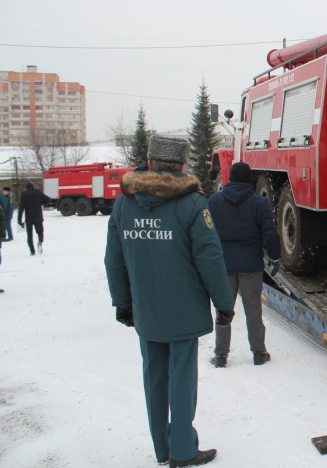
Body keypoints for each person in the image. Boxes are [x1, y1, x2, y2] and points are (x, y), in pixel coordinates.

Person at [104, 135, 235, 468]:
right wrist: (224, 303)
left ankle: (162, 448)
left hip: (145, 308)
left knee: (154, 377)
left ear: (149, 163)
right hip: (184, 308)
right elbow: (210, 257)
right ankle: (182, 451)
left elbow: (114, 258)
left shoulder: (124, 202)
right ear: (181, 166)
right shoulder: (192, 203)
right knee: (181, 378)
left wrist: (123, 301)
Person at [207, 162, 281, 368]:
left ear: (229, 178)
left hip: (223, 265)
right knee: (253, 309)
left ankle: (221, 355)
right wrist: (275, 257)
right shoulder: (258, 203)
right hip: (250, 264)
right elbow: (269, 233)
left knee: (224, 309)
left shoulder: (214, 201)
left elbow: (206, 233)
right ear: (249, 179)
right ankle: (259, 352)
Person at [17, 182, 51, 255]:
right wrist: (41, 203)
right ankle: (40, 241)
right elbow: (48, 199)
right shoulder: (38, 193)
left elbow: (21, 208)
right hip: (38, 217)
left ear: (26, 188)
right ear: (33, 187)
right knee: (40, 232)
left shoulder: (24, 194)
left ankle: (32, 251)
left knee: (29, 235)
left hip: (29, 217)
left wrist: (19, 220)